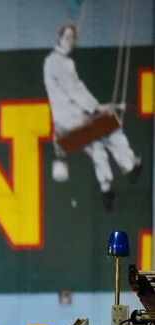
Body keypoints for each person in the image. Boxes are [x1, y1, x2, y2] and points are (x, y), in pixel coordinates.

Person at [43, 23, 141, 210]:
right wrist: (98, 108)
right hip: (72, 124)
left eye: (73, 38)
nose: (70, 42)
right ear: (59, 38)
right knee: (112, 129)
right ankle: (130, 166)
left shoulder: (53, 62)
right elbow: (75, 91)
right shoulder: (61, 63)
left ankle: (106, 191)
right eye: (67, 37)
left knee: (97, 149)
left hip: (66, 130)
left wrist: (98, 108)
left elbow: (74, 92)